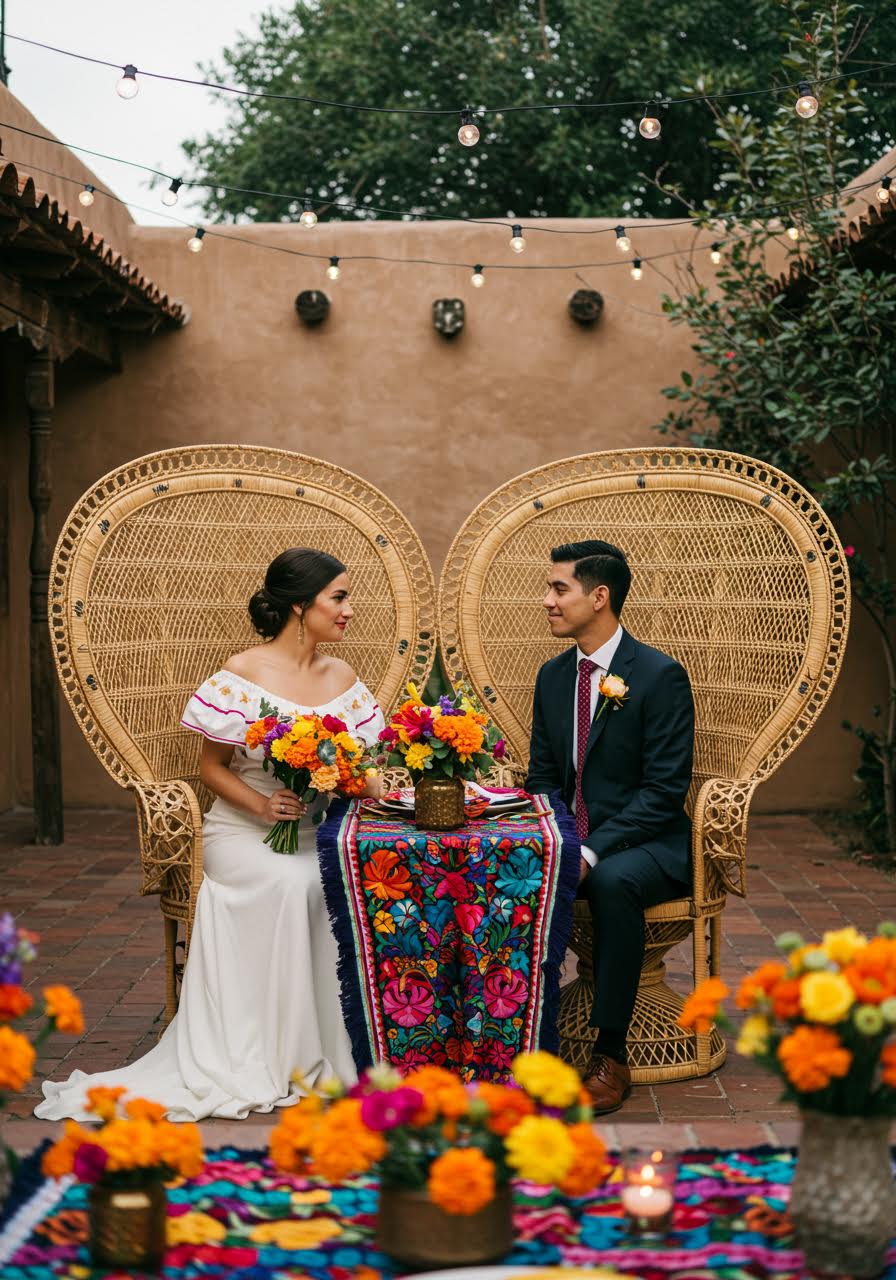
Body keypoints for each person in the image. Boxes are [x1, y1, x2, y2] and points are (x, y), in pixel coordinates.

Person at [36, 548, 384, 1122]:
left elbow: (364, 766)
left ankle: (332, 1050)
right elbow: (212, 769)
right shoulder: (242, 675)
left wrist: (357, 779)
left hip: (314, 829)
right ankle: (269, 1052)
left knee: (342, 877)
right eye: (339, 597)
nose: (350, 610)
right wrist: (264, 803)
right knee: (291, 883)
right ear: (300, 605)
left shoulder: (342, 678)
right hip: (243, 834)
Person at [525, 540, 694, 1114]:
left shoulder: (659, 675)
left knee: (611, 881)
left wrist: (590, 852)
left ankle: (610, 1055)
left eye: (559, 588)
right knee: (510, 867)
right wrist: (552, 839)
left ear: (600, 597)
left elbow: (664, 791)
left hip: (650, 843)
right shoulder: (552, 677)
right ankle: (520, 1039)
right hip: (575, 836)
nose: (546, 600)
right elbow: (543, 777)